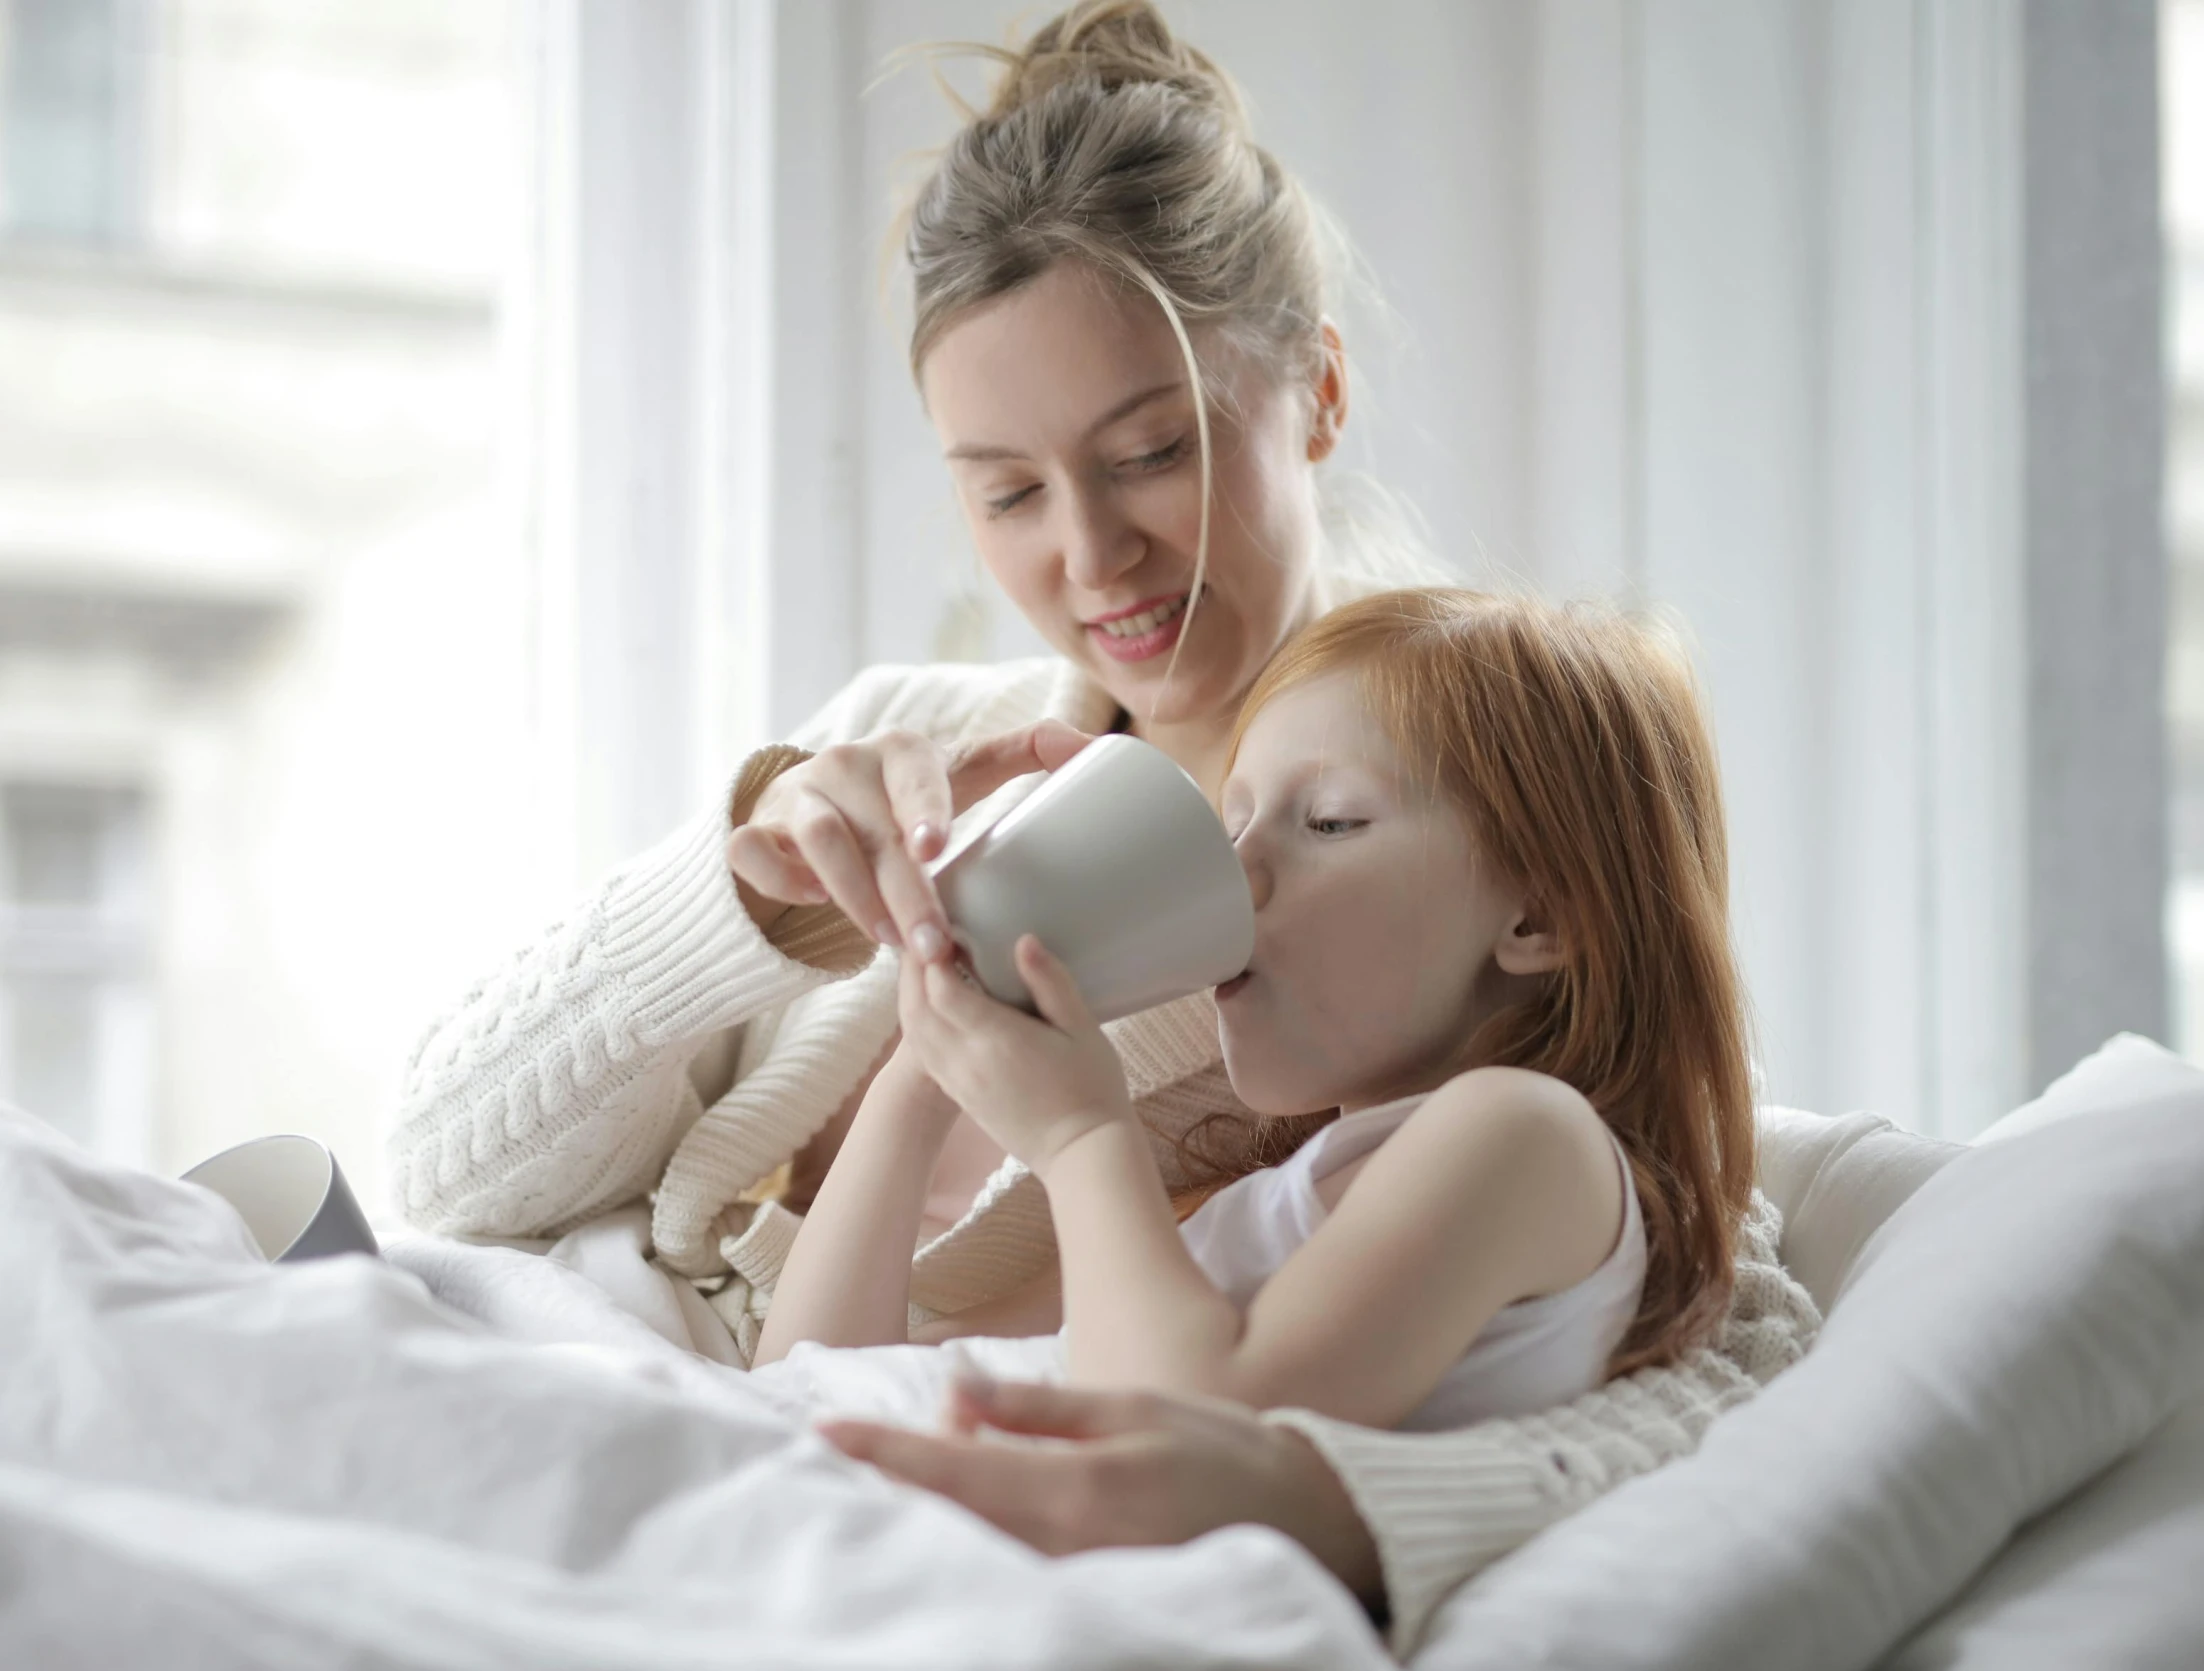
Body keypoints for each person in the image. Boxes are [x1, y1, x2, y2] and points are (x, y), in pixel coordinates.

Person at [387, 2, 1819, 1653]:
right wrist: (749, 894)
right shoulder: (904, 747)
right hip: (654, 1366)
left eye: (1150, 453)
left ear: (1316, 396)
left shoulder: (1435, 864)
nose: (1090, 557)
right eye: (1002, 490)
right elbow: (447, 1168)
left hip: (847, 1495)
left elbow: (1710, 1329)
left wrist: (1328, 1507)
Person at [757, 588, 1748, 1445]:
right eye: (1231, 821)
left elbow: (1202, 1429)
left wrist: (1078, 1135)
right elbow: (819, 1380)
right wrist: (920, 1081)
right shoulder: (1276, 1199)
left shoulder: (1526, 1136)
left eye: (1327, 822)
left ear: (1538, 917)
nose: (1233, 870)